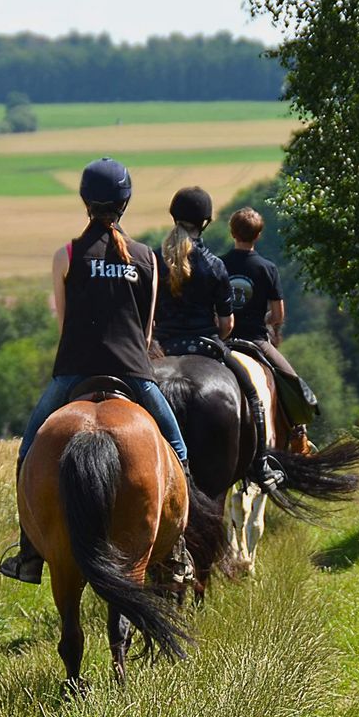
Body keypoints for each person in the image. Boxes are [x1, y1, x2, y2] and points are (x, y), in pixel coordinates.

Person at [0, 157, 191, 584]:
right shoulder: (146, 258)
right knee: (178, 452)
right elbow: (146, 333)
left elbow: (64, 325)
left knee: (28, 452)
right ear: (125, 202)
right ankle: (177, 549)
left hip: (74, 371)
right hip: (134, 373)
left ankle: (29, 553)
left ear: (85, 200)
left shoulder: (66, 255)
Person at [154, 186, 285, 491]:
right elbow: (226, 324)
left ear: (174, 217)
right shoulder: (214, 265)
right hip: (207, 345)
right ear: (206, 223)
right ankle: (261, 464)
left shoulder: (155, 261)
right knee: (252, 395)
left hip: (162, 347)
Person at [221, 206, 317, 453]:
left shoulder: (219, 265)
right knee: (292, 382)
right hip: (256, 340)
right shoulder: (267, 268)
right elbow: (278, 315)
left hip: (222, 340)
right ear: (258, 235)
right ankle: (298, 435)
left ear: (232, 233)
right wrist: (264, 320)